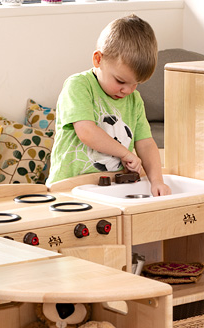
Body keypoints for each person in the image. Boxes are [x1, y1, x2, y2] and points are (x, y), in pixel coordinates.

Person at [45, 14, 171, 196]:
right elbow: (86, 132)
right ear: (98, 60)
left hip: (113, 189)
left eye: (135, 84)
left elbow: (146, 144)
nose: (127, 90)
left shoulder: (134, 100)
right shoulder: (79, 85)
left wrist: (157, 181)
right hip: (68, 188)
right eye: (120, 81)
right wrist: (125, 153)